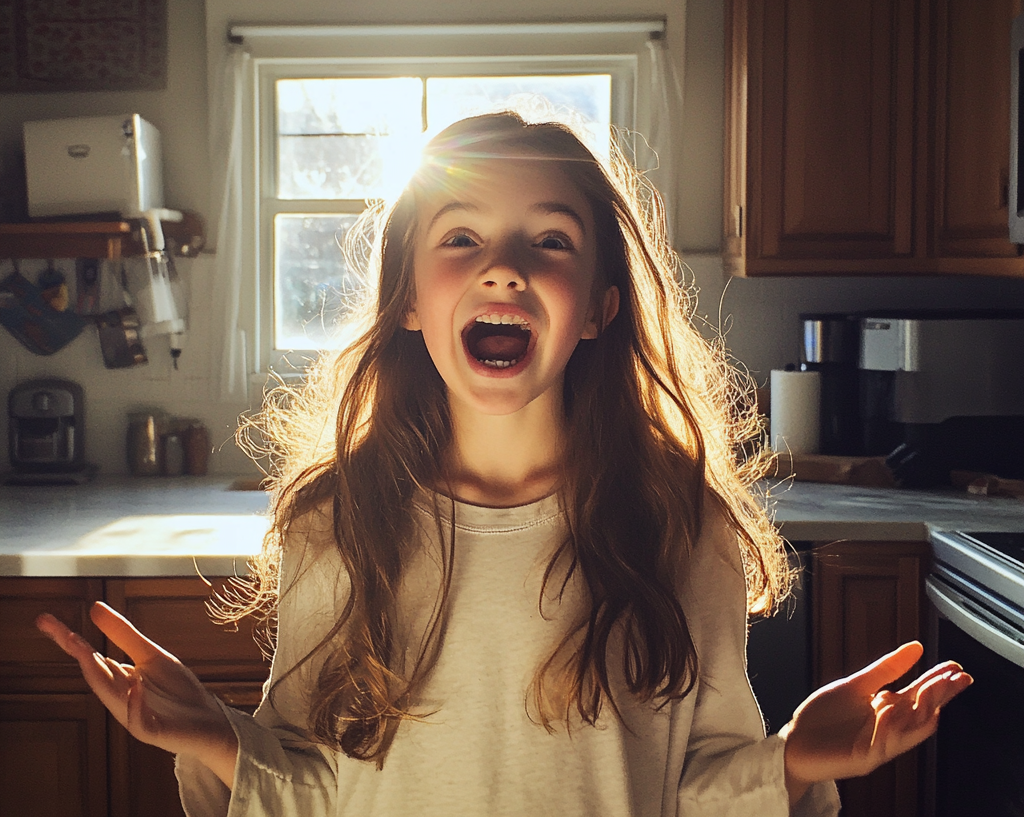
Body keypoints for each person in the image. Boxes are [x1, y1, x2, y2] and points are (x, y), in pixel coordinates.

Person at [37, 111, 971, 817]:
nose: (503, 267)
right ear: (407, 298)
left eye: (550, 239)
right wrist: (212, 737)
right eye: (460, 237)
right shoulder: (336, 522)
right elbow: (320, 792)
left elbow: (691, 794)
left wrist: (794, 760)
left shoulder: (683, 528)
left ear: (601, 308)